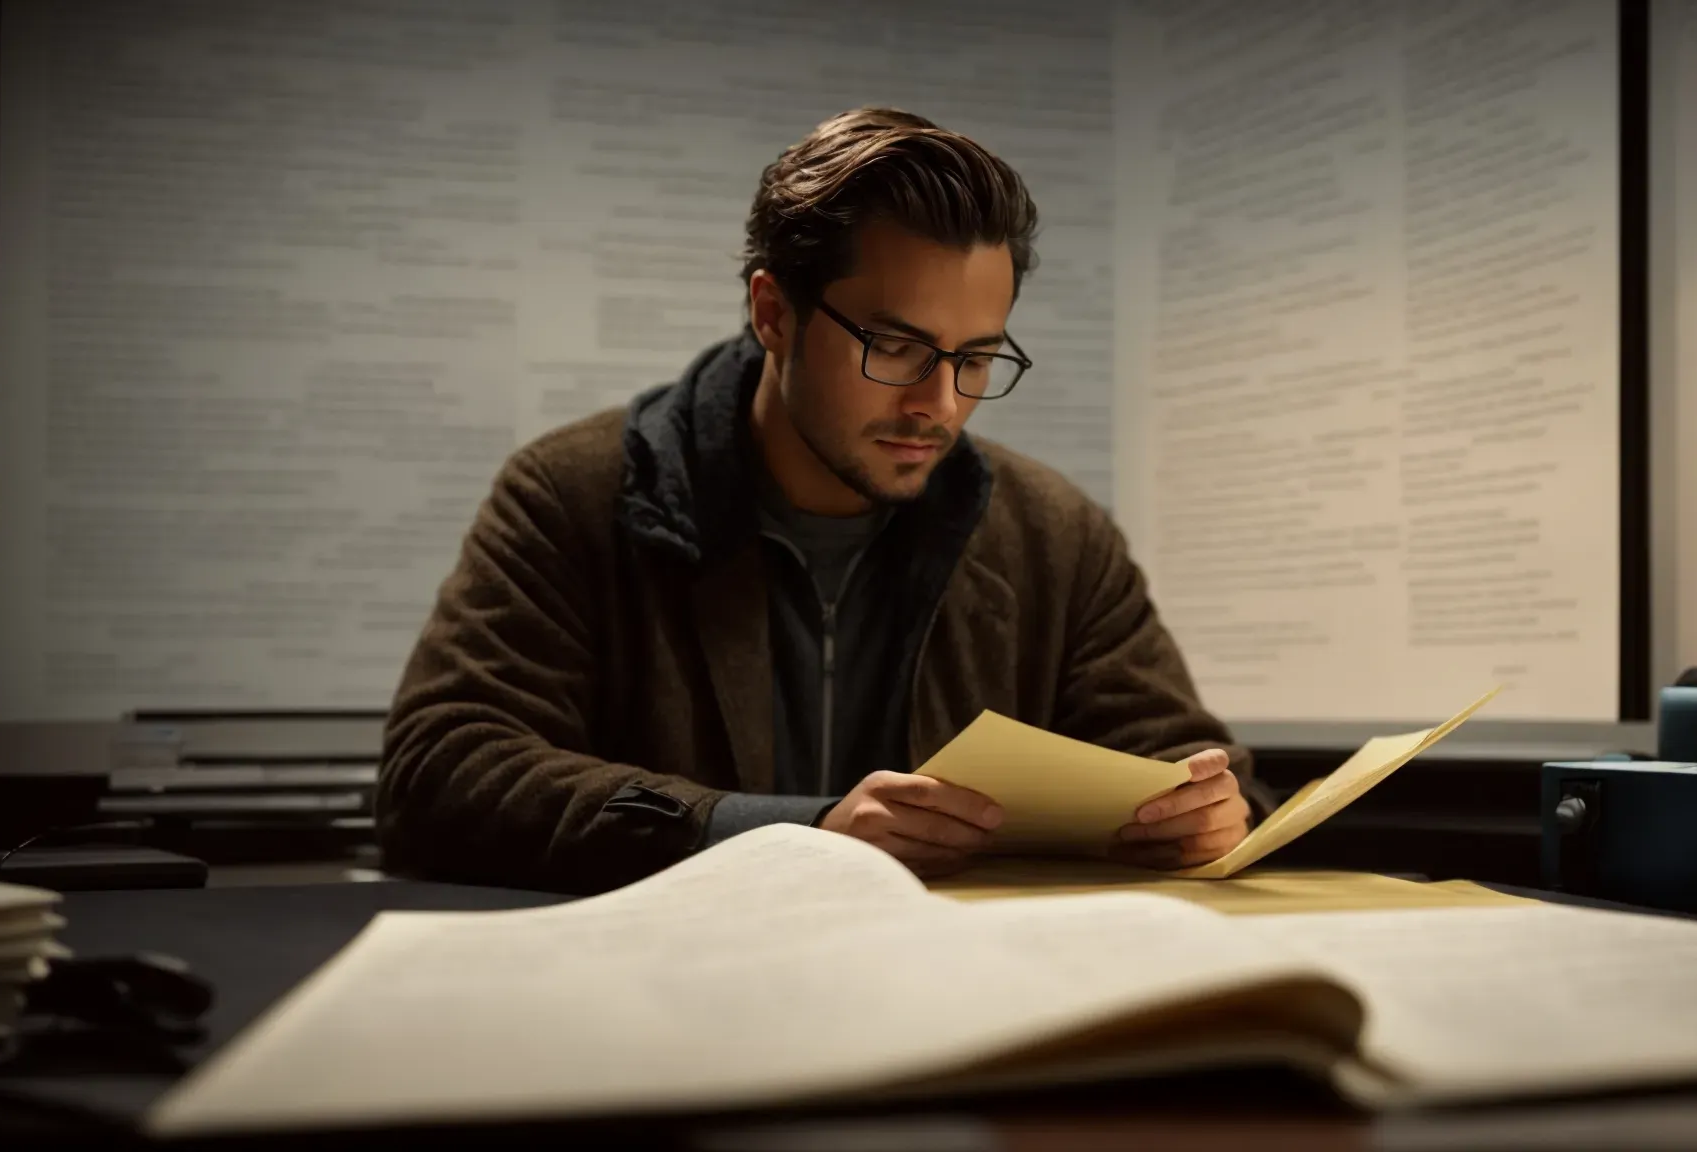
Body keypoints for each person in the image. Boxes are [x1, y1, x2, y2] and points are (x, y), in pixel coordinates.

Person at [377, 107, 1268, 893]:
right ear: (773, 313)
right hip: (669, 1016)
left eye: (976, 358)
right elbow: (441, 774)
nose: (939, 403)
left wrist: (1205, 813)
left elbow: (1186, 759)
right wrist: (791, 832)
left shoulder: (1055, 534)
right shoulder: (574, 493)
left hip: (966, 1013)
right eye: (894, 345)